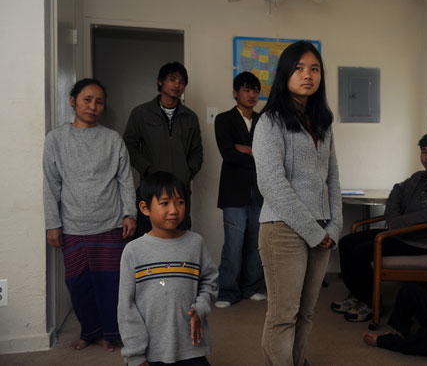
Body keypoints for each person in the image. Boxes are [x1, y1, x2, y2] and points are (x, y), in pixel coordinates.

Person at [252, 40, 342, 366]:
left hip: (320, 230)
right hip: (282, 229)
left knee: (306, 313)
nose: (308, 75)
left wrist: (333, 225)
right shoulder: (270, 122)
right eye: (299, 68)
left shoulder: (323, 124)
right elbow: (272, 185)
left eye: (314, 69)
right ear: (285, 74)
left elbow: (332, 179)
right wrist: (313, 232)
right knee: (283, 315)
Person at [43, 78, 137, 351]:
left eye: (98, 102)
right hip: (72, 226)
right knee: (78, 284)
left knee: (111, 284)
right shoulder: (56, 139)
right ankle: (89, 330)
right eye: (87, 99)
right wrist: (53, 224)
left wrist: (129, 213)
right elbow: (50, 184)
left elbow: (125, 180)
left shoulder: (112, 139)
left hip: (110, 224)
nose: (93, 106)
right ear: (73, 100)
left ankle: (111, 333)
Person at [332, 131, 427, 322]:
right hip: (401, 233)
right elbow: (397, 190)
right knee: (345, 242)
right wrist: (392, 217)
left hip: (420, 241)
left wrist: (399, 223)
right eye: (424, 151)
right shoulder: (419, 177)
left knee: (360, 252)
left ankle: (370, 302)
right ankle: (357, 295)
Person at [118, 171, 218, 366]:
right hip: (152, 352)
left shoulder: (195, 243)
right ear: (145, 208)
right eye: (165, 203)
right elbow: (126, 307)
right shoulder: (133, 251)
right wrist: (135, 355)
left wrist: (201, 308)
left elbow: (209, 280)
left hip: (192, 346)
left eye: (180, 202)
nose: (174, 210)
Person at [123, 62, 203, 236]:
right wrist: (148, 169)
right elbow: (129, 145)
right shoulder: (141, 113)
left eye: (181, 82)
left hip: (180, 189)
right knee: (148, 237)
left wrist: (187, 172)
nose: (176, 85)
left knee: (180, 238)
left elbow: (197, 152)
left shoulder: (190, 117)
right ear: (160, 82)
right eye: (172, 79)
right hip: (151, 187)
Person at [214, 71, 266, 308]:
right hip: (234, 192)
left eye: (255, 90)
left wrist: (246, 149)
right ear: (236, 93)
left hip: (260, 191)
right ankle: (227, 291)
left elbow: (268, 155)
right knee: (233, 244)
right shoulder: (224, 119)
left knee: (257, 243)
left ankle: (251, 287)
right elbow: (228, 154)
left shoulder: (264, 120)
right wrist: (252, 151)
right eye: (246, 89)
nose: (252, 94)